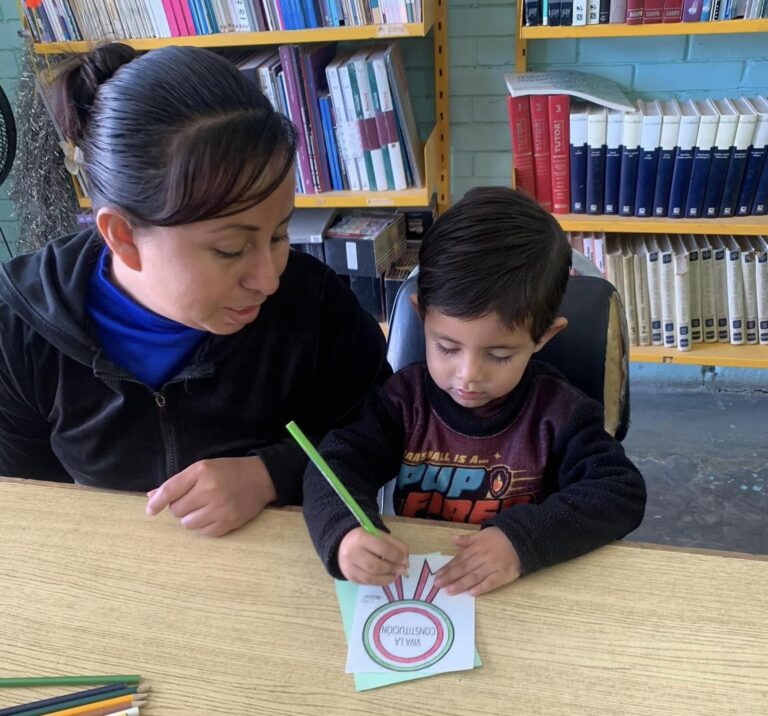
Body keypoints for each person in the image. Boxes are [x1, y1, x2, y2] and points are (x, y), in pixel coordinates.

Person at [0, 43, 390, 536]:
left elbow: (385, 424)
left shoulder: (313, 305)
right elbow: (26, 507)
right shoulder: (20, 328)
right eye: (230, 251)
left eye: (279, 234)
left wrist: (272, 472)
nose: (268, 279)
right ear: (122, 236)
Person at [303, 187, 646, 596]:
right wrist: (347, 534)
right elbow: (333, 466)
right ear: (421, 315)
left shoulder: (559, 413)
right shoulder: (402, 401)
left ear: (542, 337)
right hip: (420, 581)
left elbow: (620, 492)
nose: (467, 376)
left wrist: (523, 541)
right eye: (446, 347)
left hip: (523, 585)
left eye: (499, 355)